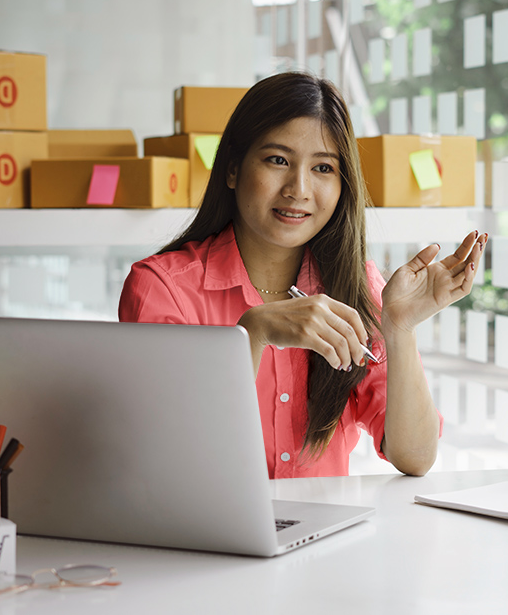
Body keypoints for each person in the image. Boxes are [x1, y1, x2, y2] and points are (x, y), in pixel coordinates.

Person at [119, 71, 486, 479]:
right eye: (278, 160)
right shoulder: (161, 288)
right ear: (233, 169)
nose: (299, 188)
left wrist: (399, 330)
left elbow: (415, 457)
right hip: (206, 535)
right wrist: (252, 334)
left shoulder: (357, 285)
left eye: (323, 168)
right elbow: (168, 452)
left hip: (325, 537)